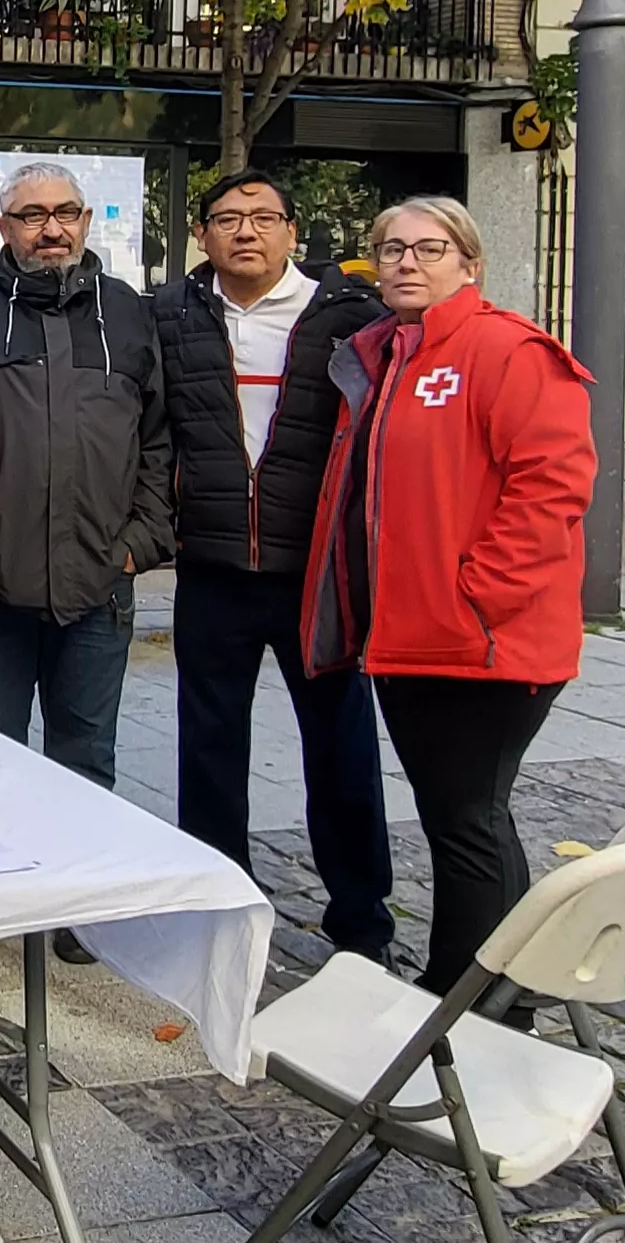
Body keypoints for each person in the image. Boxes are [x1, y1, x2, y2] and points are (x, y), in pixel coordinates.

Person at [303, 196, 595, 999]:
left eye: (428, 249)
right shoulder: (386, 352)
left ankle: (472, 1001)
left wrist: (476, 601)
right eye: (390, 249)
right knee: (462, 818)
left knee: (469, 820)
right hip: (411, 637)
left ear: (469, 263)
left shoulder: (506, 351)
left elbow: (553, 489)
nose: (405, 263)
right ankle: (491, 990)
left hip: (479, 644)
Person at [151, 170, 392, 963]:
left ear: (293, 232)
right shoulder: (173, 317)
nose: (244, 231)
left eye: (263, 218)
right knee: (209, 747)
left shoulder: (354, 322)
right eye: (226, 218)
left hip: (316, 575)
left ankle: (362, 922)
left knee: (341, 748)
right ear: (203, 236)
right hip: (213, 566)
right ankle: (217, 907)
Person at [0, 159, 173, 795]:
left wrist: (139, 544)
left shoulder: (127, 313)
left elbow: (160, 436)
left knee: (85, 763)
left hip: (99, 585)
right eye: (33, 216)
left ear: (86, 222)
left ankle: (80, 888)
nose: (50, 229)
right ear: (5, 226)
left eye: (64, 214)